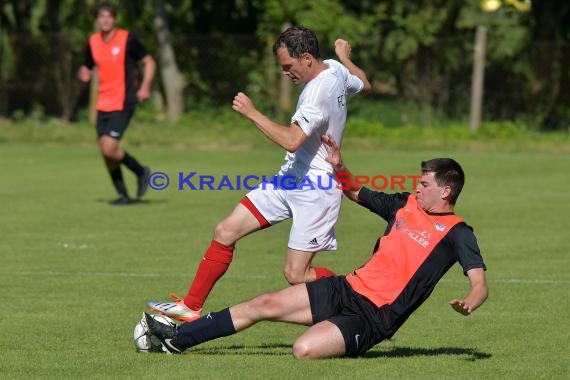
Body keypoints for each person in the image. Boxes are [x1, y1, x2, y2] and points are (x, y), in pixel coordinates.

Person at [141, 134, 488, 358]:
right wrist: (339, 165)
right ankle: (177, 338)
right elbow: (356, 192)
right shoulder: (404, 206)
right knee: (263, 303)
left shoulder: (457, 232)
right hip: (345, 287)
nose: (416, 188)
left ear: (446, 191)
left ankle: (339, 333)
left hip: (374, 317)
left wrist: (470, 302)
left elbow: (479, 283)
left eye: (424, 184)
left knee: (303, 350)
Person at [148, 26, 371, 321]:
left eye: (287, 67)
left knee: (296, 274)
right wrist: (344, 57)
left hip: (316, 189)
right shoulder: (333, 67)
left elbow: (293, 140)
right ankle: (191, 307)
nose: (285, 73)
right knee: (225, 230)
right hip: (290, 178)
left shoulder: (316, 93)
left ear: (306, 58)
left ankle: (357, 300)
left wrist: (252, 113)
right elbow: (364, 85)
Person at [78, 2, 156, 205]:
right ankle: (123, 194)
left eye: (109, 16)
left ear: (114, 19)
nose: (105, 20)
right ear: (97, 19)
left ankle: (140, 171)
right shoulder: (93, 42)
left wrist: (145, 87)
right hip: (102, 102)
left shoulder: (127, 39)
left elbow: (149, 61)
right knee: (106, 153)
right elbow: (87, 67)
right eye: (101, 16)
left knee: (109, 148)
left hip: (124, 101)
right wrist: (84, 73)